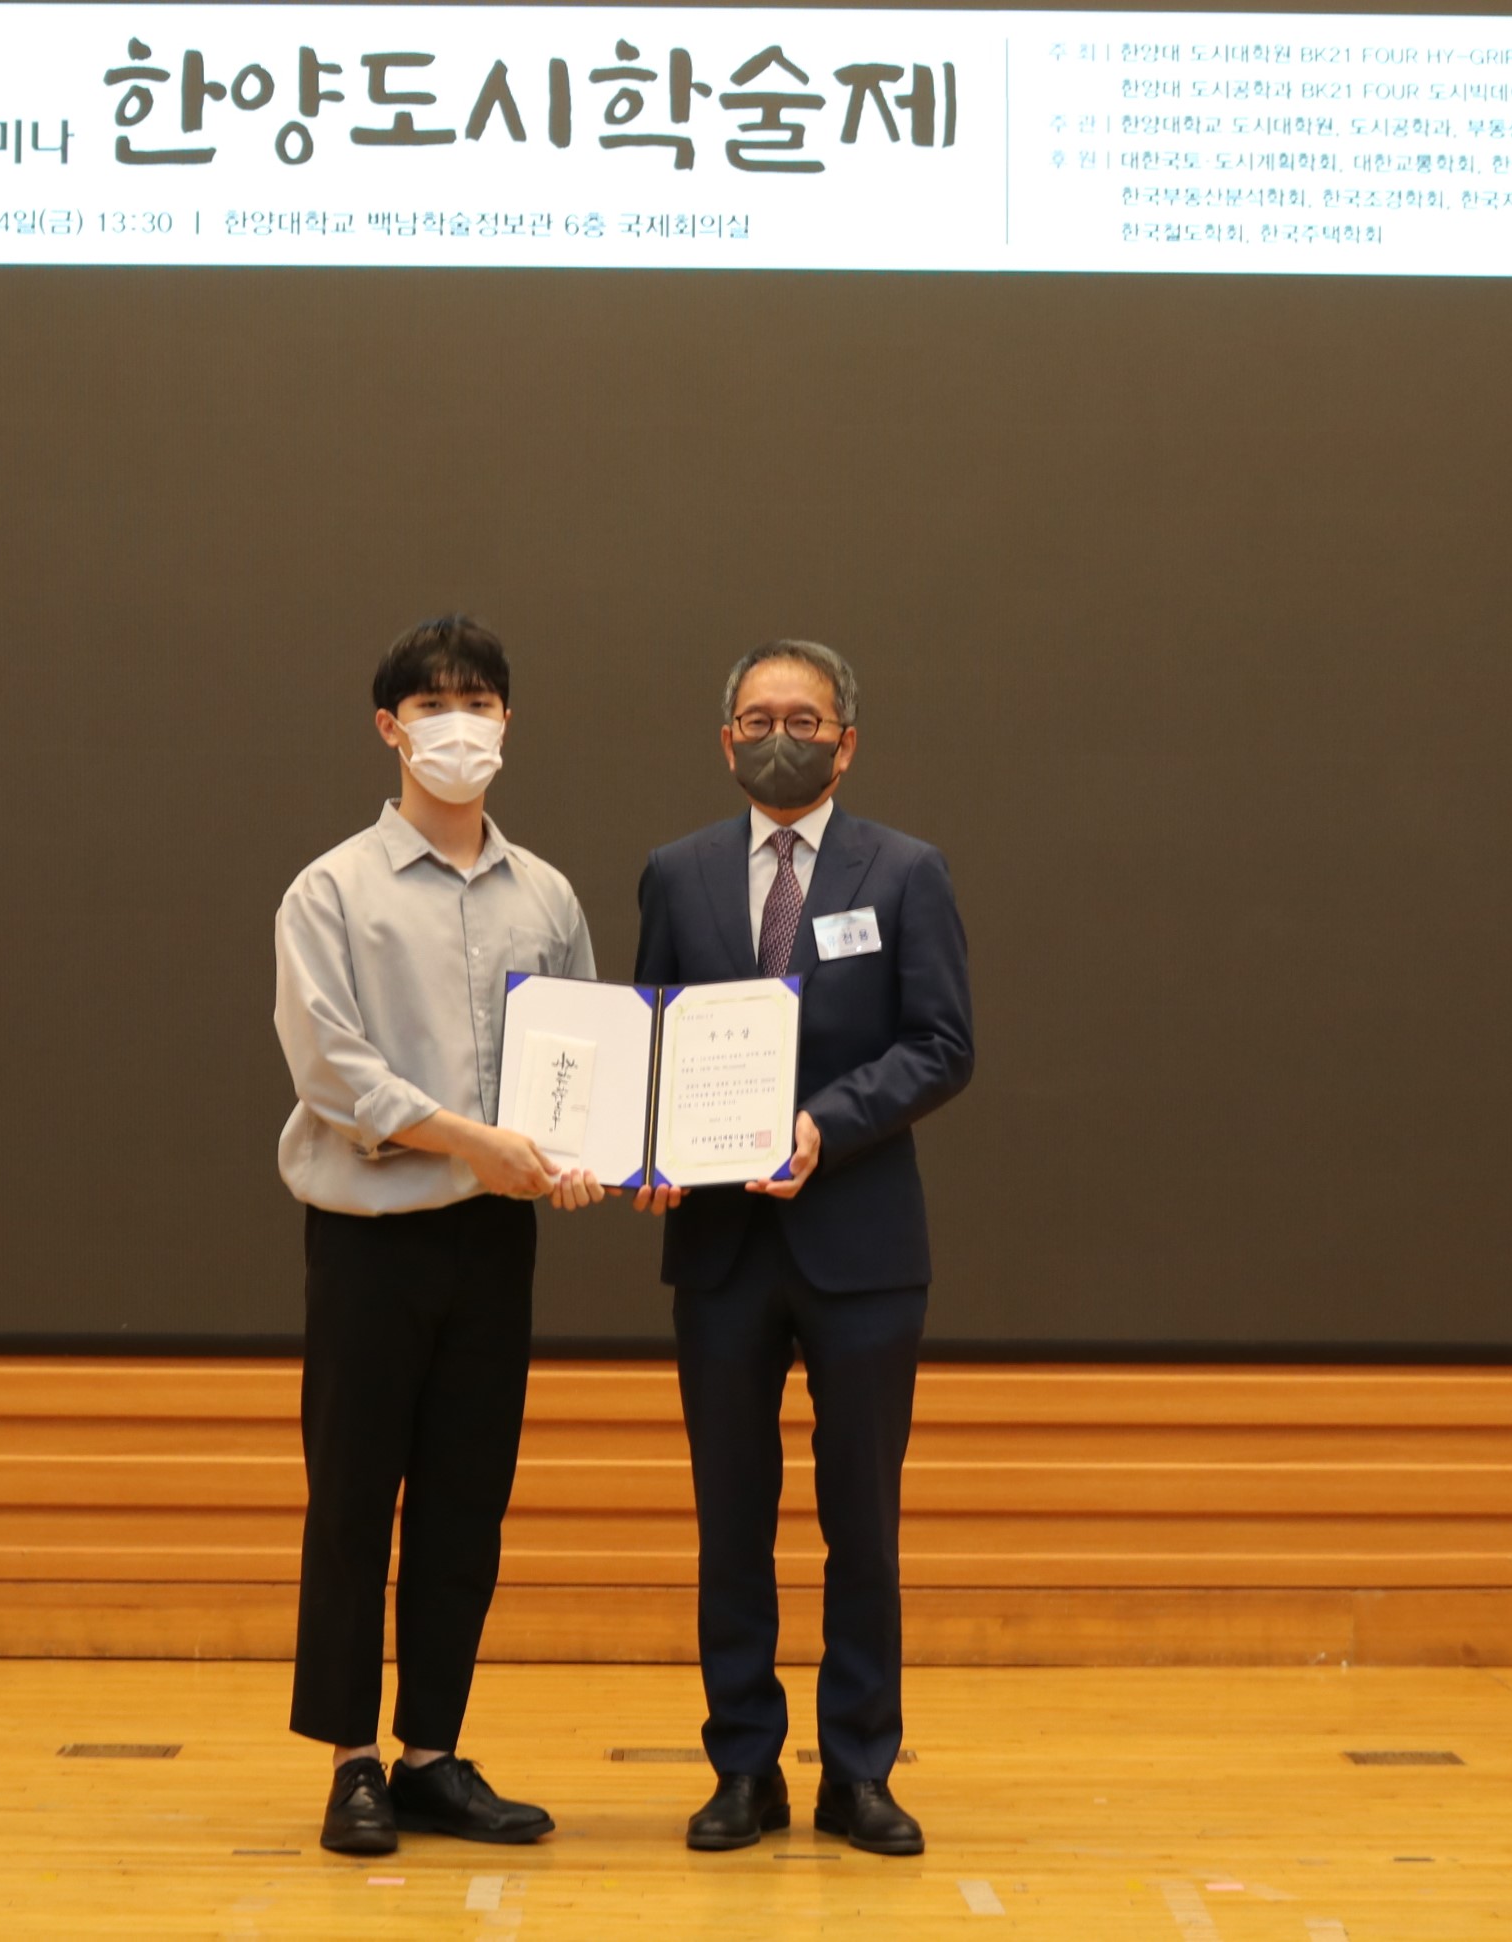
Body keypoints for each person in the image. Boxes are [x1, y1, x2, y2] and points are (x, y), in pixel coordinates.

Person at [632, 638, 974, 1856]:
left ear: (845, 741)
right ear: (726, 739)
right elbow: (650, 1044)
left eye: (805, 718)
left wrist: (825, 1122)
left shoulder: (907, 871)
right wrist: (643, 1149)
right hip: (721, 1252)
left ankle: (857, 1771)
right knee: (730, 1520)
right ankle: (742, 1767)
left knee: (860, 1522)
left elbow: (942, 1043)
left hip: (861, 1250)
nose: (781, 735)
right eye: (759, 717)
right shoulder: (674, 874)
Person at [272, 615, 606, 1856]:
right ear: (389, 727)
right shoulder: (330, 890)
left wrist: (583, 1154)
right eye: (432, 704)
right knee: (353, 1499)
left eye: (478, 701)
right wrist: (473, 1141)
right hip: (368, 1240)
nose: (457, 723)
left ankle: (429, 1754)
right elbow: (331, 1070)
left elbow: (580, 1056)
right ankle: (349, 1761)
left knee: (467, 1500)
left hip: (493, 1242)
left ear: (507, 722)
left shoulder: (547, 895)